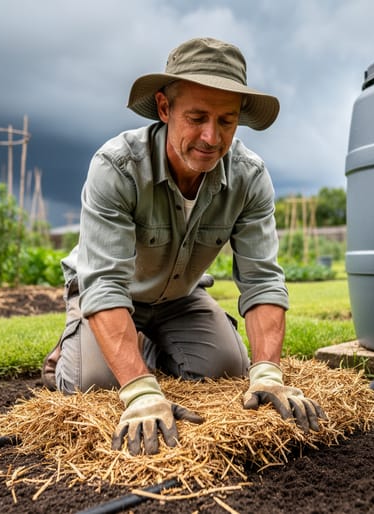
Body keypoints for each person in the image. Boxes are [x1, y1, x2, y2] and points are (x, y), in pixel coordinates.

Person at [41, 37, 325, 456]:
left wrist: (267, 373)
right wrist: (139, 391)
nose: (211, 137)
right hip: (111, 294)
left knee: (227, 370)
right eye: (197, 118)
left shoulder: (249, 177)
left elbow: (262, 279)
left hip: (180, 296)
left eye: (226, 121)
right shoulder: (116, 168)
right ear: (163, 108)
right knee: (95, 384)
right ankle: (73, 350)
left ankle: (148, 346)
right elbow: (103, 284)